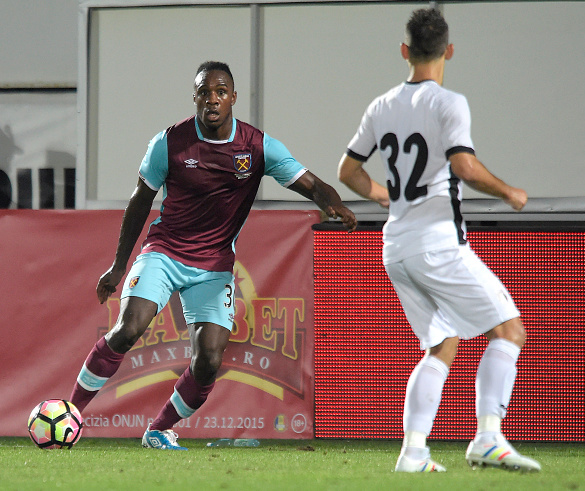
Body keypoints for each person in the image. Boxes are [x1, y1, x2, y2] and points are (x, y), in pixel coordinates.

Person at [70, 60, 357, 450]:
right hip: (165, 252)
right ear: (195, 97)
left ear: (233, 98)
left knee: (209, 359)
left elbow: (311, 184)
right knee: (129, 327)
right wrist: (119, 264)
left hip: (214, 267)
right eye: (204, 91)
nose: (212, 99)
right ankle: (70, 415)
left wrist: (334, 204)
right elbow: (140, 201)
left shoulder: (257, 146)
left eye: (221, 92)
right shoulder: (169, 142)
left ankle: (159, 429)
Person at [338, 8, 540, 473]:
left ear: (405, 51)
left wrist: (383, 195)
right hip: (436, 243)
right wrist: (509, 190)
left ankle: (413, 453)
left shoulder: (381, 105)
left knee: (443, 343)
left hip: (397, 248)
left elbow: (347, 171)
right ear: (449, 51)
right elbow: (464, 166)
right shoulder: (449, 103)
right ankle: (488, 437)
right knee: (510, 331)